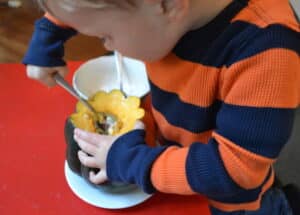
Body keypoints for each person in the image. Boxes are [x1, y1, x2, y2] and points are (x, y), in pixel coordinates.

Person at [23, 0, 300, 214]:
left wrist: (132, 162)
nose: (106, 45)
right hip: (168, 158)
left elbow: (234, 171)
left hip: (227, 202)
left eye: (104, 35)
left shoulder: (268, 53)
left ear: (168, 5)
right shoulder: (159, 13)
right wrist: (51, 29)